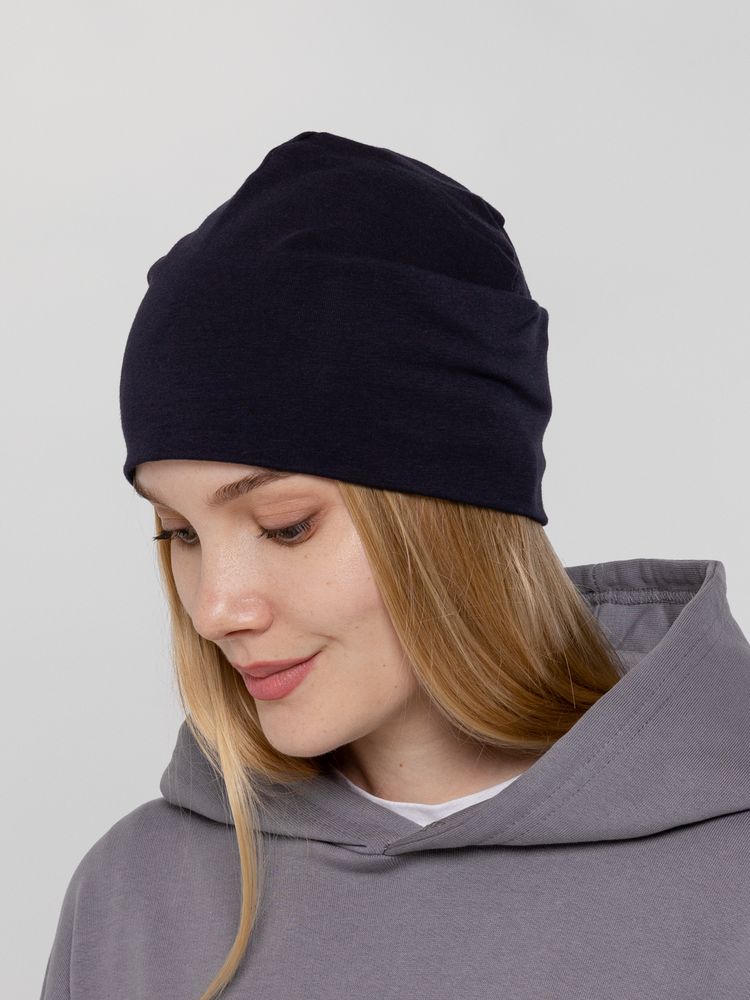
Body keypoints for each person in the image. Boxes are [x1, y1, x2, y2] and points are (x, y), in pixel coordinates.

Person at [40, 131, 750, 1000]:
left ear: (453, 515)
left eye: (286, 527)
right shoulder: (134, 896)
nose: (216, 609)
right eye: (179, 534)